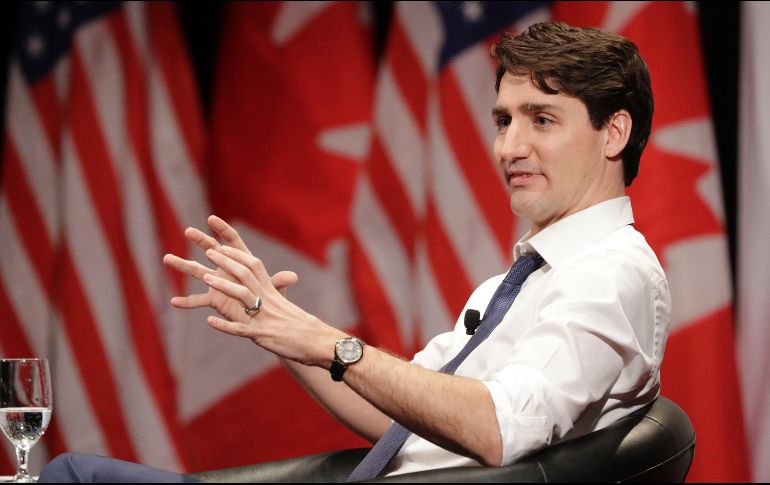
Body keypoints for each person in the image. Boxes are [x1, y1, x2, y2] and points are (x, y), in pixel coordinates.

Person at [38, 21, 669, 482]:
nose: (509, 147)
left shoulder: (611, 274)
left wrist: (329, 343)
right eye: (504, 120)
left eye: (542, 119)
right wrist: (277, 328)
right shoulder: (529, 276)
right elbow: (394, 417)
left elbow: (499, 429)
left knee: (71, 476)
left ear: (614, 132)